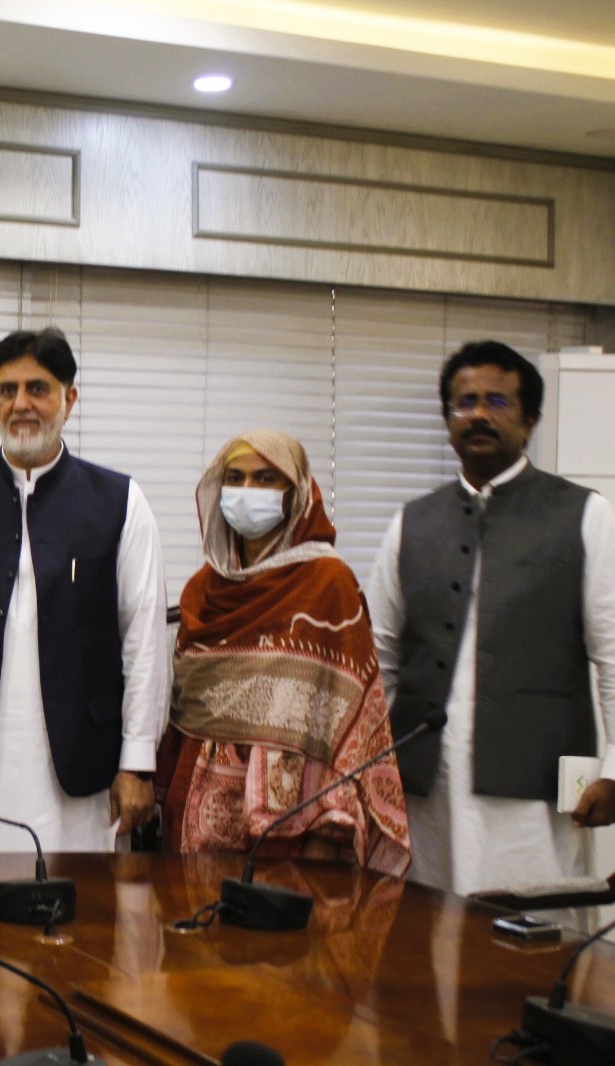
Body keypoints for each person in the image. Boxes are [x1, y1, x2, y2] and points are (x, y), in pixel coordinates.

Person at [0, 327, 168, 853]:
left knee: (75, 920)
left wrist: (137, 763)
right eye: (6, 390)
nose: (21, 404)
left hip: (79, 770)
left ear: (69, 398)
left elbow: (144, 641)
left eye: (38, 388)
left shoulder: (120, 501)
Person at [365, 340, 615, 895]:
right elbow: (378, 660)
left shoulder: (586, 515)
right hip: (425, 783)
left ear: (529, 420)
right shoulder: (411, 522)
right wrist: (372, 769)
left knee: (527, 943)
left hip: (532, 790)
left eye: (497, 401)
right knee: (423, 938)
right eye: (464, 402)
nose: (478, 413)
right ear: (447, 420)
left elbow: (614, 657)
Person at [158, 431, 409, 875]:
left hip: (299, 815)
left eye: (265, 479)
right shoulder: (203, 589)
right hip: (196, 803)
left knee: (284, 936)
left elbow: (349, 715)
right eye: (234, 478)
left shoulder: (328, 584)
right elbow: (182, 709)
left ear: (295, 494)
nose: (246, 492)